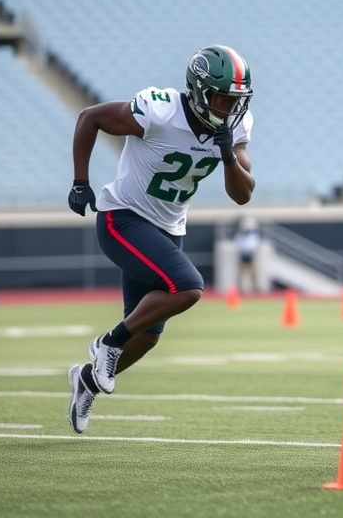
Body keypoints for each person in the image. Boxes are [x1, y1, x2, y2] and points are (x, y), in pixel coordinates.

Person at [65, 45, 256, 434]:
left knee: (148, 336)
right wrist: (80, 182)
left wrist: (228, 157)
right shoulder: (160, 110)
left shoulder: (234, 127)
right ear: (200, 91)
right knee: (188, 287)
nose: (228, 108)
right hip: (124, 217)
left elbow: (243, 193)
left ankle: (86, 379)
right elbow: (90, 118)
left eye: (235, 100)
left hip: (168, 228)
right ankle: (108, 343)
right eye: (221, 98)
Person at [234, 216, 262, 294]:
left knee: (254, 274)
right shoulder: (240, 236)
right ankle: (240, 289)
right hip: (243, 257)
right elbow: (238, 246)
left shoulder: (253, 236)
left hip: (251, 257)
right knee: (241, 274)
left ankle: (255, 288)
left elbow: (255, 246)